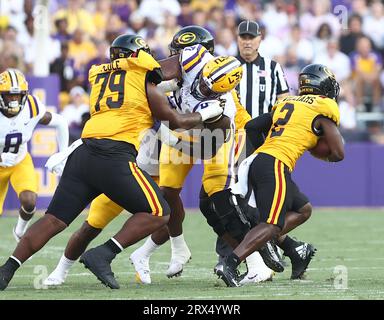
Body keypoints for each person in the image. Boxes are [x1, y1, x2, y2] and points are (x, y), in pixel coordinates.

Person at [0, 34, 224, 291]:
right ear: (136, 56)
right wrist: (209, 110)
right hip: (114, 156)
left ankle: (7, 270)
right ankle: (103, 254)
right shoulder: (141, 76)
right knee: (160, 212)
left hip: (84, 154)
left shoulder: (99, 76)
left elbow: (148, 97)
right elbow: (176, 120)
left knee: (53, 219)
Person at [78, 30, 245, 288]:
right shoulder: (186, 68)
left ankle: (256, 259)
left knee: (217, 195)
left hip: (214, 141)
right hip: (181, 135)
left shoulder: (223, 96)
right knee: (166, 194)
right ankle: (170, 249)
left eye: (179, 53)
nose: (174, 58)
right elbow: (162, 97)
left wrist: (179, 129)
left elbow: (211, 139)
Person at [215, 64, 345, 287]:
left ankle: (295, 252)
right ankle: (231, 263)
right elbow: (338, 153)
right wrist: (317, 149)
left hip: (259, 160)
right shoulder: (324, 107)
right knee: (272, 224)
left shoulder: (288, 101)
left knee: (303, 209)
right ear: (323, 85)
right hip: (276, 163)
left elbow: (254, 127)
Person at [214, 20, 293, 284]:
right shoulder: (227, 66)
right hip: (232, 138)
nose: (247, 41)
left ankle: (274, 252)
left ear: (260, 38)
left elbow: (283, 102)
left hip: (264, 139)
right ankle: (231, 254)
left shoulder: (272, 68)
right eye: (243, 37)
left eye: (252, 37)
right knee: (230, 196)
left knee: (260, 199)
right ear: (237, 39)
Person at [0, 68, 69, 242]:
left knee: (30, 200)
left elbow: (60, 122)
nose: (14, 100)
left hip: (19, 161)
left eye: (18, 95)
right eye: (10, 95)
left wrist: (63, 154)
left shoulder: (31, 107)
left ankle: (20, 232)